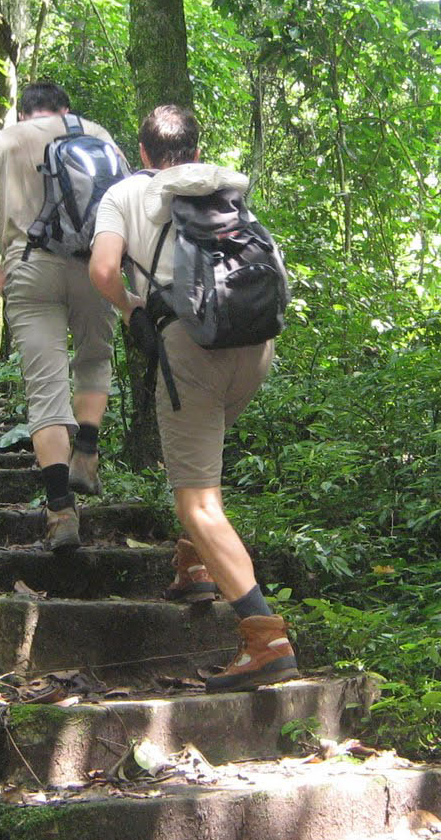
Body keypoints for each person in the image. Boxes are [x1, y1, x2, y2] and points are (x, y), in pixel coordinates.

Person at [88, 104, 297, 693]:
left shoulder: (125, 193)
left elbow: (105, 269)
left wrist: (131, 306)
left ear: (144, 151)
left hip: (191, 347)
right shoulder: (222, 189)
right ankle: (195, 566)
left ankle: (265, 639)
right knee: (202, 462)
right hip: (254, 344)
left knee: (198, 502)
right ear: (196, 148)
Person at [0, 81, 121, 551]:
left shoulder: (4, 140)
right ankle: (85, 452)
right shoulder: (98, 132)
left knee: (46, 387)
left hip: (29, 268)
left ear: (22, 113)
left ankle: (60, 510)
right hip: (93, 264)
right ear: (64, 110)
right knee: (93, 357)